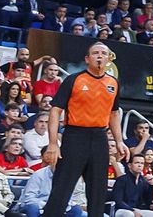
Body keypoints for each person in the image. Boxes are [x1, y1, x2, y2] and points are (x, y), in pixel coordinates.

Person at [40, 42, 125, 217]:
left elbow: (114, 113)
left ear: (109, 58)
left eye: (103, 53)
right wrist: (53, 143)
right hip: (75, 136)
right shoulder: (74, 79)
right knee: (62, 188)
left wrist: (119, 141)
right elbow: (55, 110)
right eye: (95, 53)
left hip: (100, 137)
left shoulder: (113, 83)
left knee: (97, 192)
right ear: (87, 59)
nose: (99, 56)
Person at [11, 149, 80, 217]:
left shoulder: (66, 177)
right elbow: (29, 198)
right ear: (52, 162)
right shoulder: (38, 174)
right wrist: (47, 205)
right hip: (33, 205)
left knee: (76, 210)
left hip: (55, 206)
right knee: (33, 208)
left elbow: (68, 198)